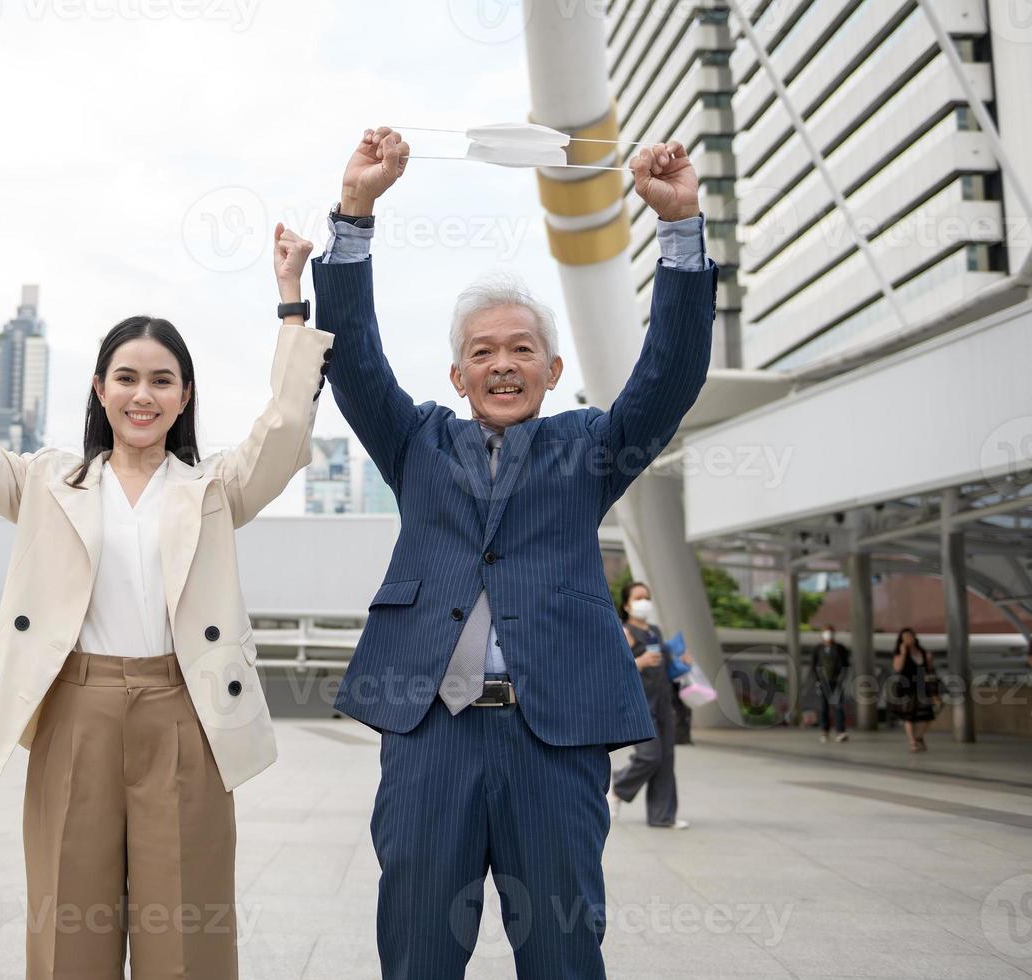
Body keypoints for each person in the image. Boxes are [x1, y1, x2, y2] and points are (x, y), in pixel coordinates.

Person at [312, 127, 716, 978]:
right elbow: (350, 359)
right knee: (417, 952)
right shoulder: (414, 442)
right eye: (482, 353)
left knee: (564, 955)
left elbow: (669, 374)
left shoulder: (587, 448)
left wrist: (679, 228)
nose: (502, 366)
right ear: (456, 376)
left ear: (551, 367)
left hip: (554, 738)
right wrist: (355, 214)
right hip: (430, 739)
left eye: (520, 350)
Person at [0, 220, 331, 979]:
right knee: (68, 929)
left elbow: (284, 431)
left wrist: (290, 301)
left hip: (183, 712)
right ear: (99, 387)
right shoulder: (47, 480)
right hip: (75, 712)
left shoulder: (213, 489)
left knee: (184, 933)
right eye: (126, 377)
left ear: (185, 396)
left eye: (162, 380)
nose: (142, 394)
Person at [607, 582, 690, 830]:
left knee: (666, 759)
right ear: (627, 604)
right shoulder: (624, 631)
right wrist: (639, 661)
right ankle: (619, 786)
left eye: (647, 597)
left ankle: (662, 816)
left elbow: (663, 662)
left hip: (663, 699)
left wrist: (680, 660)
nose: (644, 602)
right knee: (650, 756)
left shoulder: (654, 631)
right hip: (640, 701)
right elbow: (614, 667)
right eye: (638, 597)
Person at [888, 626, 938, 752]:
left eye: (909, 636)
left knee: (927, 715)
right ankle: (912, 741)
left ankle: (918, 737)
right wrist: (904, 653)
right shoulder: (900, 653)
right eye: (905, 637)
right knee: (909, 716)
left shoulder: (922, 652)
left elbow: (928, 670)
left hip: (921, 686)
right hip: (907, 686)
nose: (908, 639)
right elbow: (898, 668)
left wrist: (929, 661)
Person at [809, 623, 851, 742]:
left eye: (830, 632)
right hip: (823, 682)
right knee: (823, 707)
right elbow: (814, 666)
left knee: (838, 706)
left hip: (836, 682)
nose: (828, 635)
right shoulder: (818, 649)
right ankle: (824, 731)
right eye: (826, 632)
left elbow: (846, 665)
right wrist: (817, 681)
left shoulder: (840, 648)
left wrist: (842, 679)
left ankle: (840, 731)